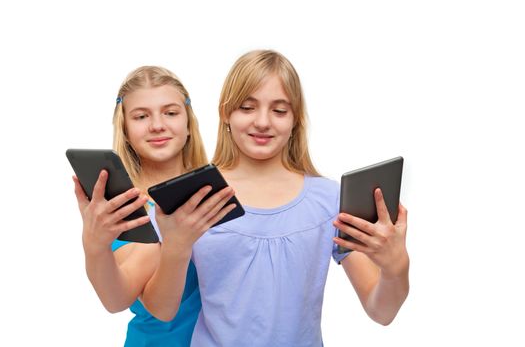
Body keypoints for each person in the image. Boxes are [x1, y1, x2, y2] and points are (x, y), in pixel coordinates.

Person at [143, 50, 410, 346]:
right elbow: (161, 310)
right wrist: (175, 248)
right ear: (225, 113)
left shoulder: (329, 200)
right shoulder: (195, 196)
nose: (262, 122)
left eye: (279, 111)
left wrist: (395, 267)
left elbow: (382, 311)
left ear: (295, 119)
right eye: (247, 107)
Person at [72, 66, 235, 346]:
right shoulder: (125, 205)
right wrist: (94, 244)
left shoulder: (221, 189)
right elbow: (116, 299)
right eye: (141, 116)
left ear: (188, 123)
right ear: (124, 128)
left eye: (170, 113)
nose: (157, 125)